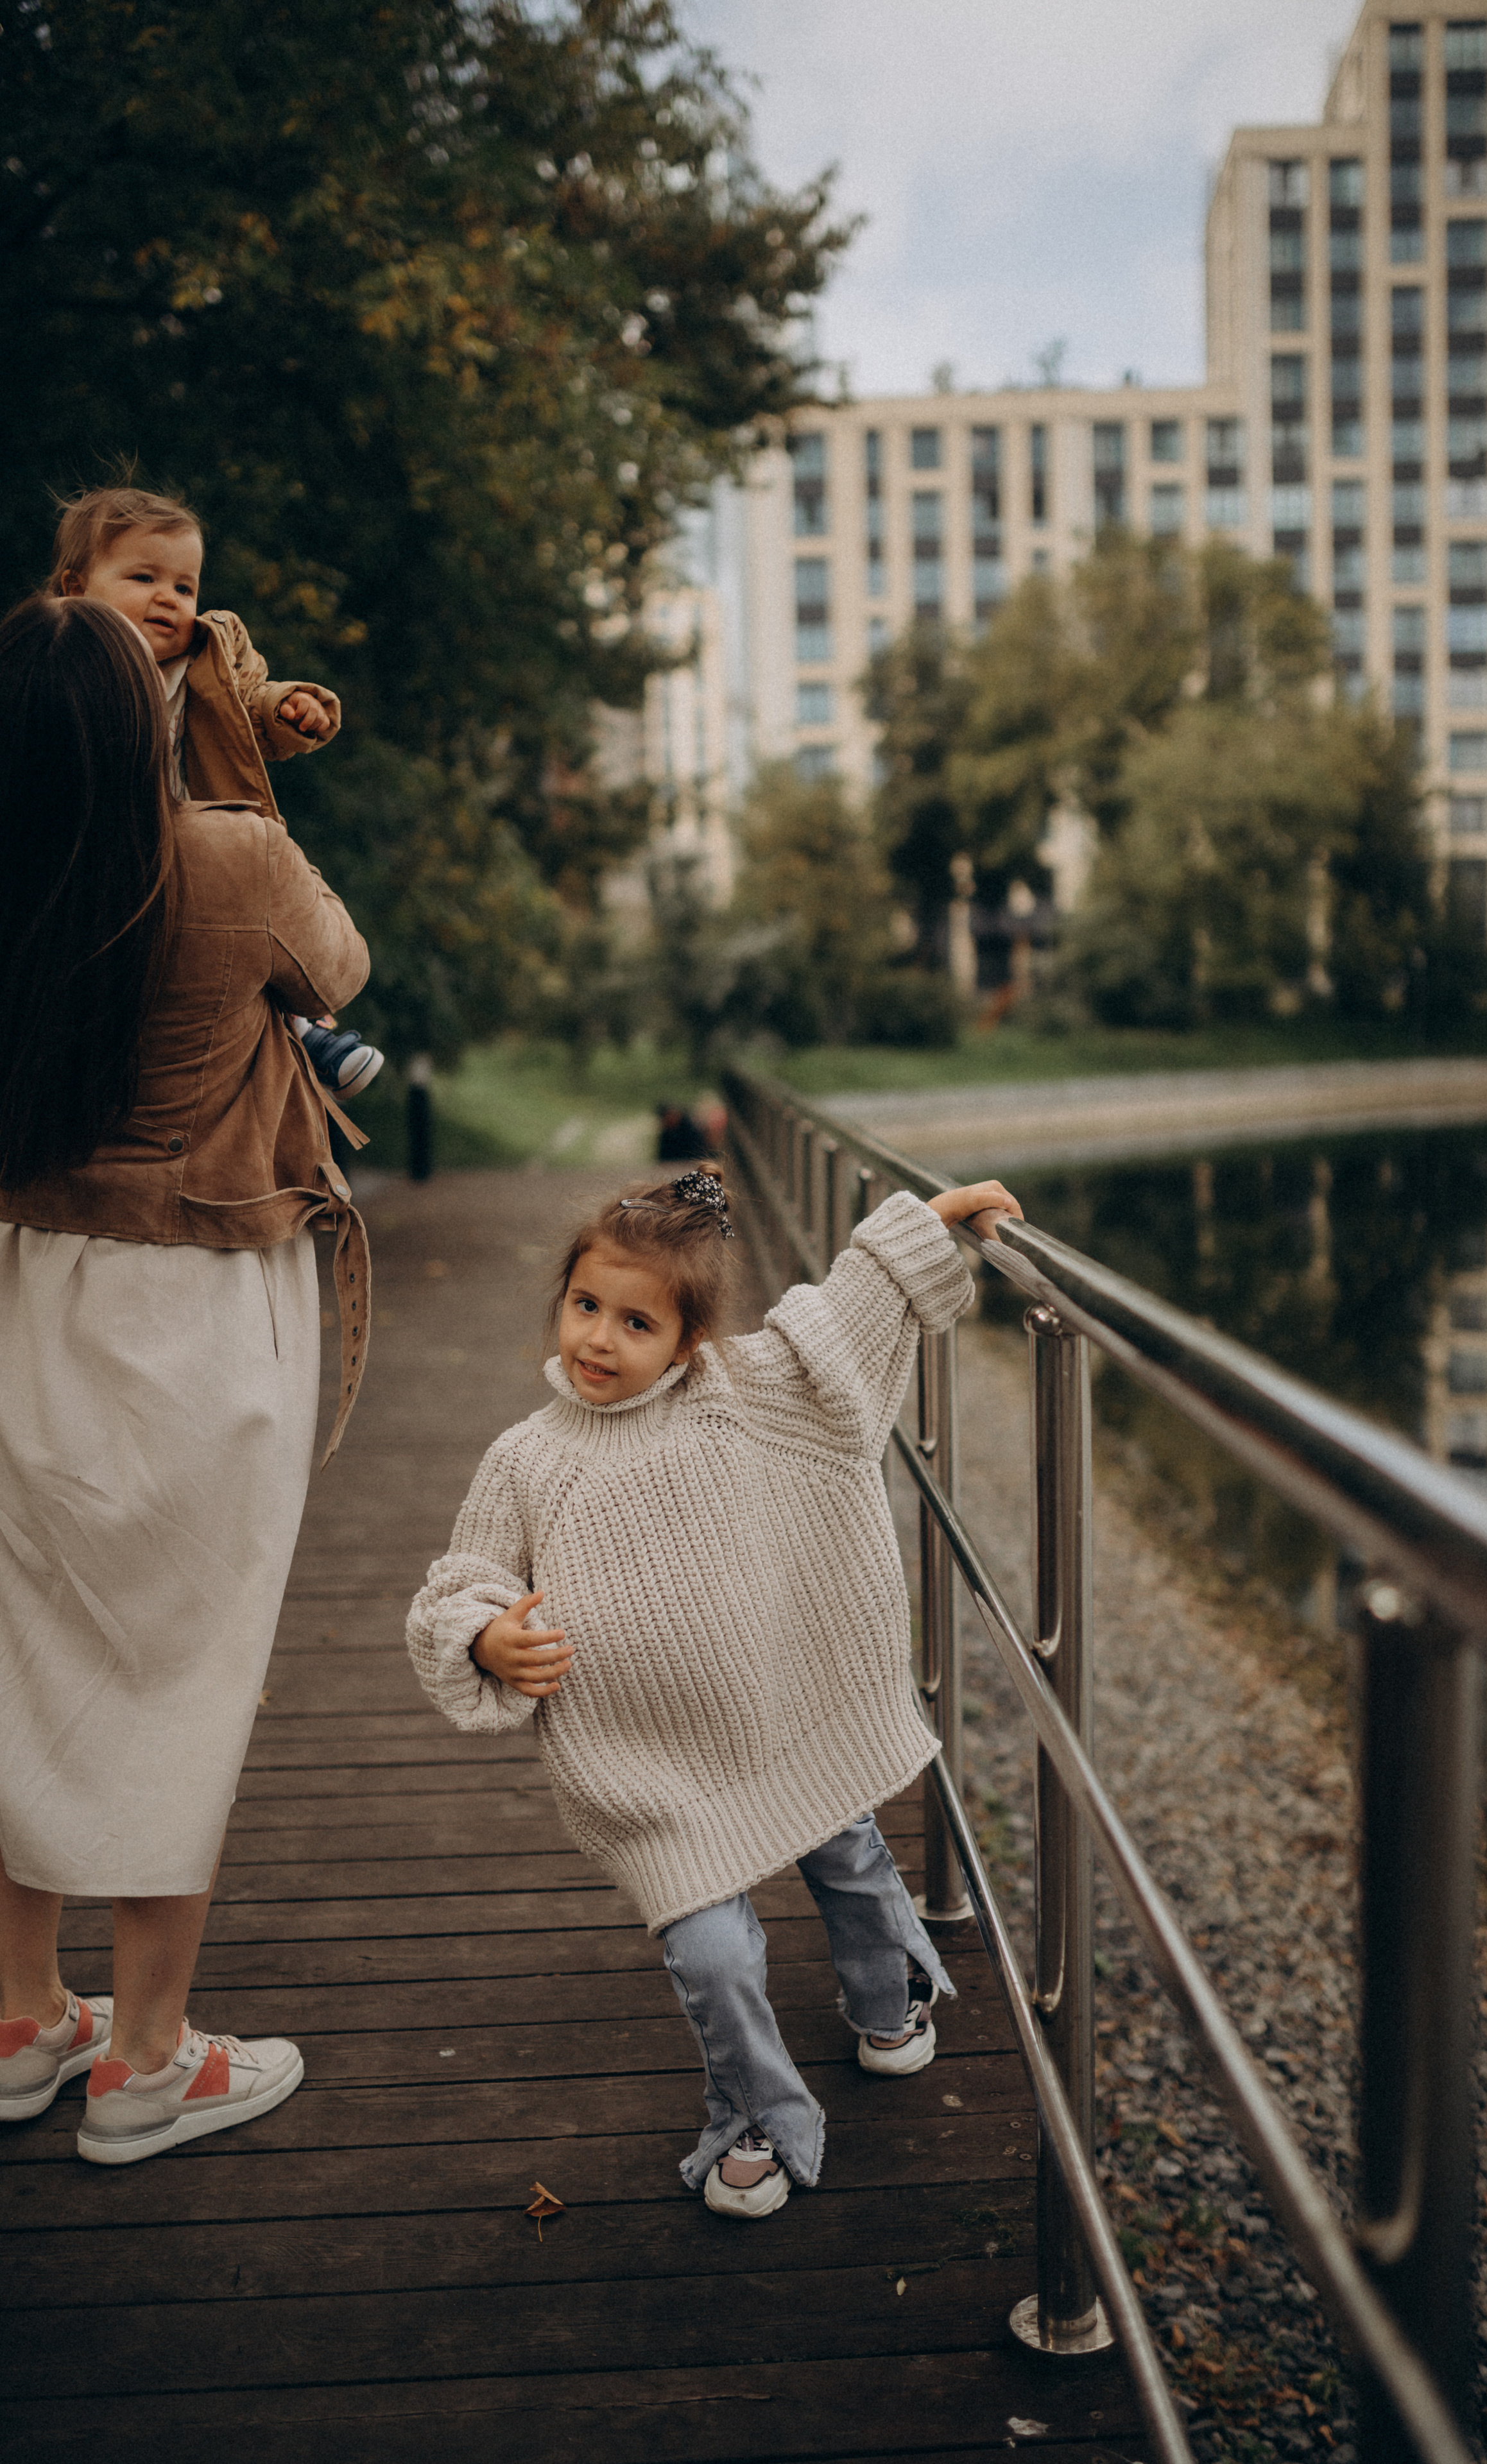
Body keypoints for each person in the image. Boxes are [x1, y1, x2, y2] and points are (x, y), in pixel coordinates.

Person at [406, 1158, 1022, 2218]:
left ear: (689, 1341)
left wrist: (929, 1224)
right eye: (586, 1306)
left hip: (785, 1710)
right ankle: (755, 2113)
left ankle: (891, 1995)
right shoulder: (526, 1459)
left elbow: (842, 1317)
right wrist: (484, 1638)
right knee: (714, 1954)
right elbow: (460, 1583)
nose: (600, 1340)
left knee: (850, 1857)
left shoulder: (746, 1390)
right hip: (651, 1774)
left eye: (636, 1323)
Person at [0, 594, 372, 2162]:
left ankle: (21, 2018)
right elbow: (338, 968)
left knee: (26, 1656)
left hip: (29, 1288)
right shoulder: (226, 859)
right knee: (188, 1669)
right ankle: (148, 2061)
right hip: (201, 1300)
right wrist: (235, 756)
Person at [51, 483, 382, 1100]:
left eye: (185, 587)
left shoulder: (209, 655)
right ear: (75, 589)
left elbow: (249, 703)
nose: (168, 599)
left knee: (231, 944)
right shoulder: (55, 664)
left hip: (193, 844)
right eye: (143, 577)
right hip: (98, 849)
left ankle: (306, 1036)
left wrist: (287, 708)